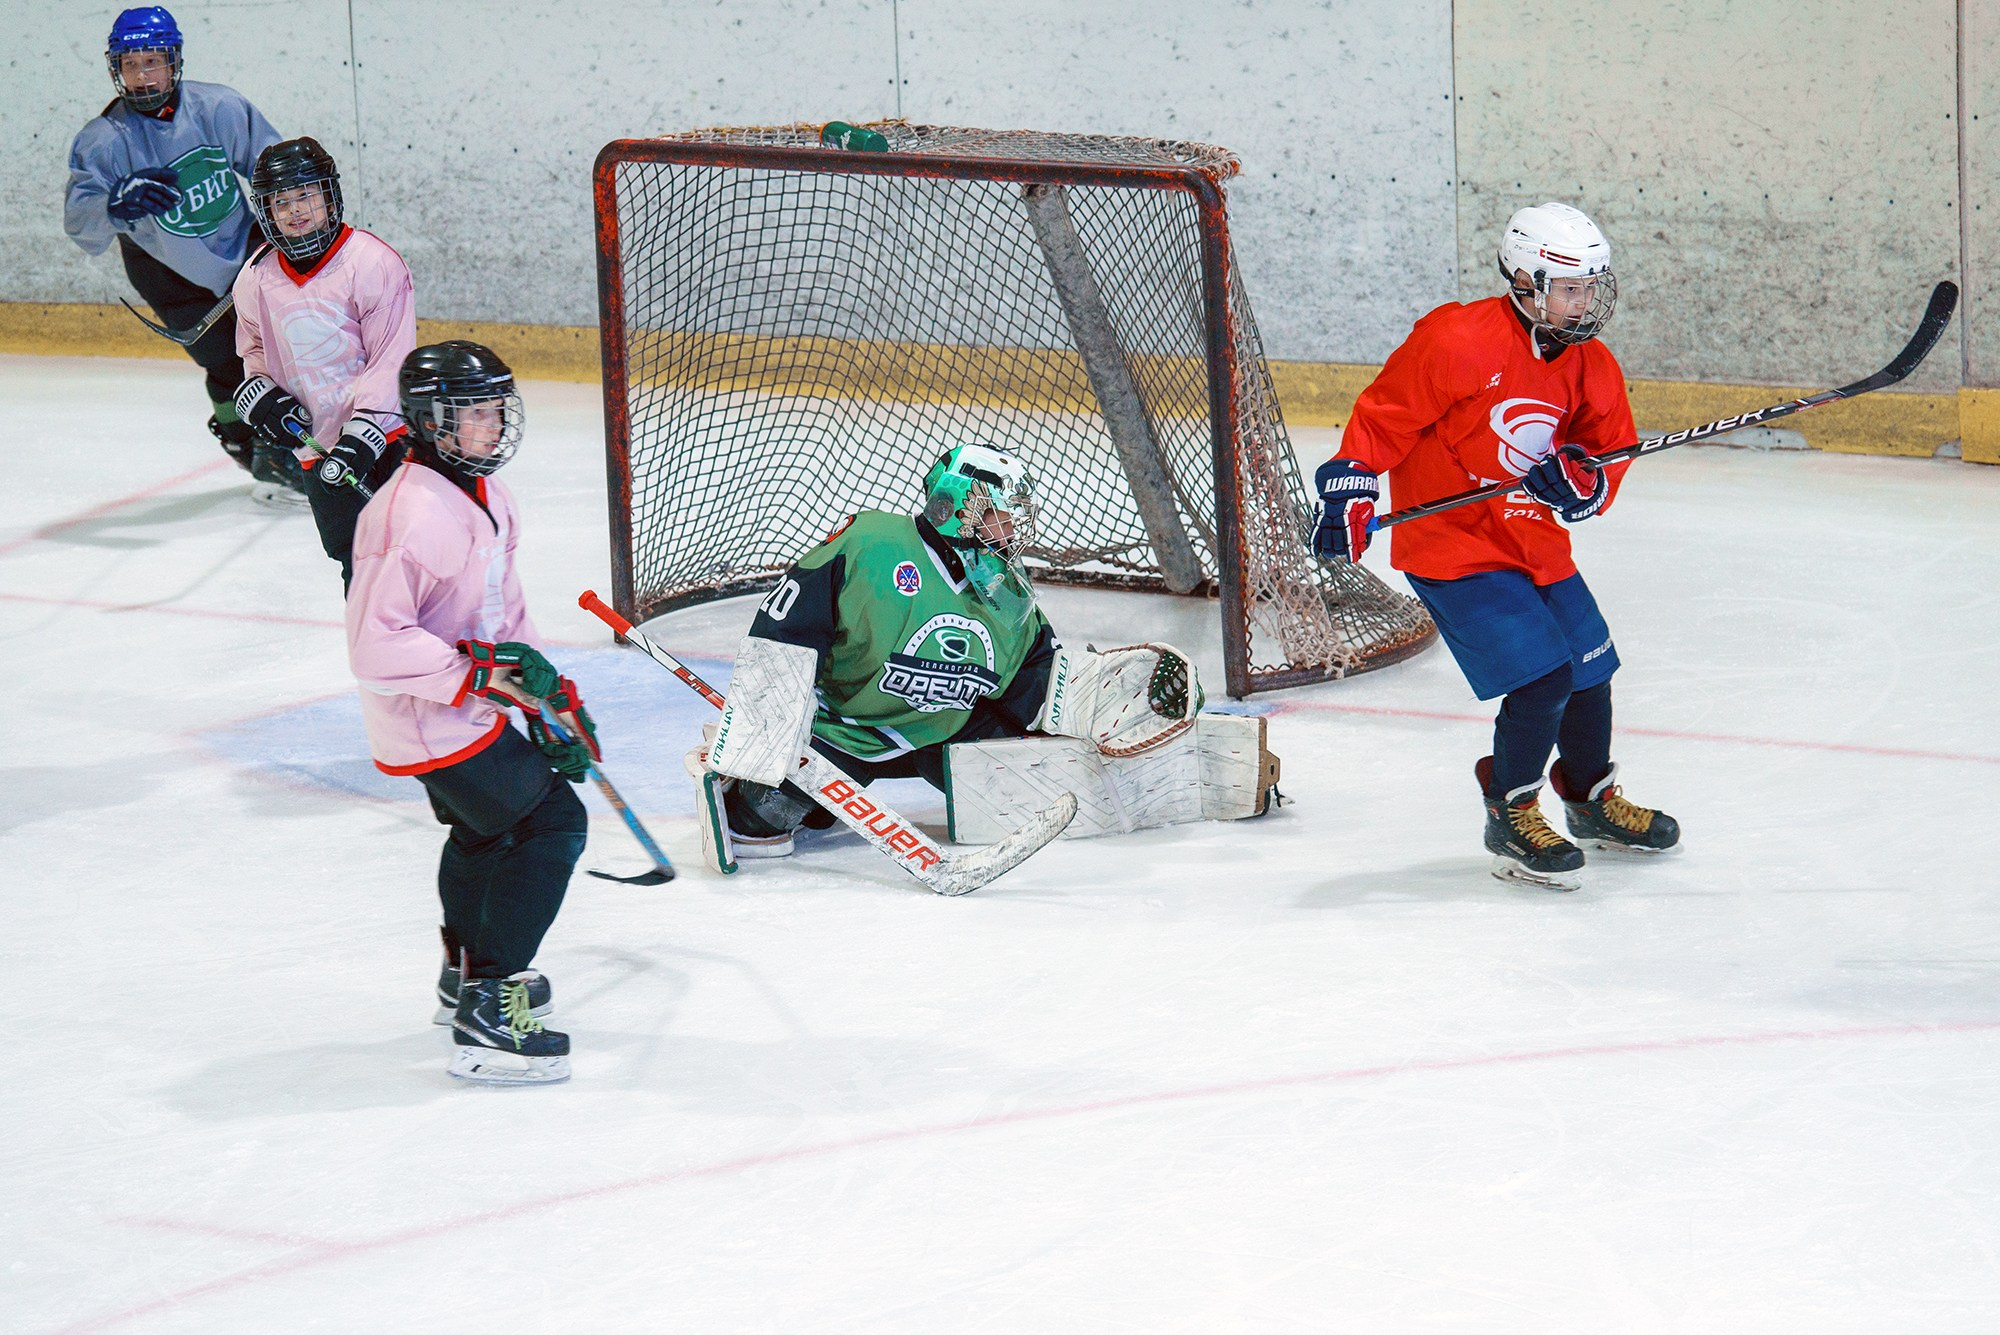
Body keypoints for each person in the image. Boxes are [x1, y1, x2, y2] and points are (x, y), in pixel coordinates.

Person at [1311, 201, 1680, 891]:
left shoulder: (1591, 364)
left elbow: (1607, 454)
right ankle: (1511, 812)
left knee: (1591, 671)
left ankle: (1590, 801)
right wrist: (1352, 486)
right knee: (1543, 679)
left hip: (1532, 539)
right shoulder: (1457, 340)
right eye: (1568, 288)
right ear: (1525, 281)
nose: (1583, 302)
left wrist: (1580, 483)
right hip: (1453, 546)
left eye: (1590, 287)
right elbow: (1384, 418)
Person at [695, 443, 1219, 865]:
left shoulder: (1004, 589)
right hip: (851, 726)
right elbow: (782, 635)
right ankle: (749, 790)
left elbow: (1035, 675)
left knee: (1042, 787)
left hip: (949, 729)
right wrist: (763, 737)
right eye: (1001, 517)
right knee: (763, 816)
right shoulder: (871, 545)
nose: (1013, 532)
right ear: (955, 508)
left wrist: (1107, 697)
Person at [346, 341, 598, 1086]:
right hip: (426, 715)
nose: (494, 425)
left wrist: (549, 695)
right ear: (431, 421)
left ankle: (465, 978)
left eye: (497, 409)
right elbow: (374, 646)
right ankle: (490, 1005)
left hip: (463, 705)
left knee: (487, 832)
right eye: (476, 412)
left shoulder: (490, 497)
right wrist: (482, 675)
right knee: (552, 824)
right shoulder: (406, 515)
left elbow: (504, 613)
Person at [63, 6, 283, 491]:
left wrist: (288, 222)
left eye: (153, 61)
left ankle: (294, 433)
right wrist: (113, 204)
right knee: (225, 360)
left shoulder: (219, 107)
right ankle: (240, 439)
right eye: (130, 64)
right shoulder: (103, 142)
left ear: (173, 61)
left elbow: (271, 168)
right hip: (168, 271)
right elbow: (80, 225)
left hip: (243, 246)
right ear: (116, 69)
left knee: (283, 344)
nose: (142, 75)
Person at [232, 136, 416, 578]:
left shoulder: (371, 263)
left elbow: (392, 357)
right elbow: (254, 349)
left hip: (389, 440)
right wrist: (260, 391)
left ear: (329, 198)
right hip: (317, 448)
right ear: (266, 210)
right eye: (281, 202)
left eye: (305, 196)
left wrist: (367, 430)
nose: (294, 210)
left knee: (410, 561)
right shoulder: (255, 278)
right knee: (355, 565)